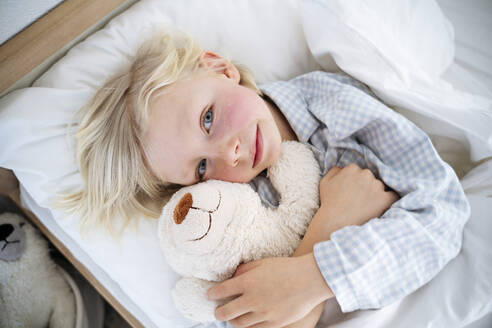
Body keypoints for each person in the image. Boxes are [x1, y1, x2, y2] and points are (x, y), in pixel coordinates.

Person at [63, 31, 470, 328]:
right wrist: (325, 234)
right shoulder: (229, 213)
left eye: (208, 118)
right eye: (201, 168)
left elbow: (443, 212)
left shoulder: (328, 105)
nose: (229, 153)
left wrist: (313, 277)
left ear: (220, 68)